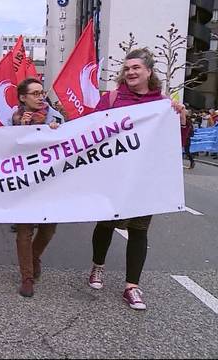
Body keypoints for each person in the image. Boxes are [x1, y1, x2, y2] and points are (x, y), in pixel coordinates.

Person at [87, 48, 186, 310]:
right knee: (106, 224)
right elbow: (88, 128)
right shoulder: (112, 98)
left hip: (146, 179)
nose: (130, 72)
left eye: (136, 68)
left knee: (139, 230)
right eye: (127, 68)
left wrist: (181, 119)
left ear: (149, 72)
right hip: (115, 176)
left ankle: (132, 286)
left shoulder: (162, 105)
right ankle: (98, 266)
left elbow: (177, 144)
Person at [9, 77, 61, 297]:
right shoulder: (13, 119)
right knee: (24, 229)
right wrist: (20, 129)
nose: (41, 97)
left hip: (49, 180)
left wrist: (56, 132)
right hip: (23, 181)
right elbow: (3, 147)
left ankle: (34, 256)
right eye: (35, 93)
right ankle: (27, 277)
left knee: (49, 227)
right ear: (23, 97)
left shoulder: (56, 117)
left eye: (42, 93)